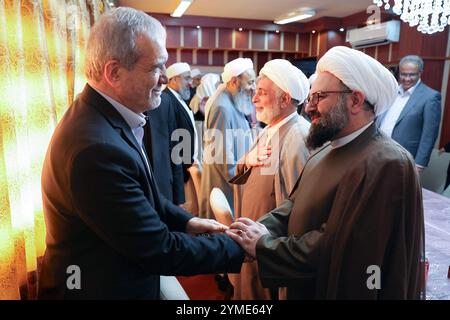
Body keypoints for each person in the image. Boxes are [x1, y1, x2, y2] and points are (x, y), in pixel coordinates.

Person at [39, 7, 244, 299]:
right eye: (155, 68)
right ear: (114, 73)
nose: (165, 79)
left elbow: (138, 193)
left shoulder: (103, 116)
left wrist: (185, 221)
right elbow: (159, 249)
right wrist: (239, 246)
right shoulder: (97, 150)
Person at [227, 46, 425, 300]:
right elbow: (292, 206)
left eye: (319, 97)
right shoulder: (326, 149)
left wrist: (264, 246)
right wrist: (254, 229)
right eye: (310, 98)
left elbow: (339, 247)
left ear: (355, 100)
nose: (309, 108)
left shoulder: (386, 163)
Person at [228, 59, 310, 300]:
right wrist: (248, 159)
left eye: (261, 93)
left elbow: (297, 211)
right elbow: (241, 171)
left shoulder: (297, 137)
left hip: (268, 249)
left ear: (285, 99)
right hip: (254, 241)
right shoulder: (269, 128)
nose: (254, 99)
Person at [200, 58, 256, 219]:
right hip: (225, 183)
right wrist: (242, 186)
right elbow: (222, 156)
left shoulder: (230, 98)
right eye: (250, 82)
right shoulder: (221, 106)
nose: (253, 88)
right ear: (234, 81)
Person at [377, 55, 442, 172]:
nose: (407, 79)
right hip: (378, 151)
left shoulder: (430, 97)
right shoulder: (391, 91)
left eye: (411, 75)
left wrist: (420, 163)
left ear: (420, 73)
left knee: (396, 189)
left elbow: (429, 134)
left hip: (404, 157)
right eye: (403, 74)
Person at [143, 92, 185, 206]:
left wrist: (179, 197)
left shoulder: (164, 100)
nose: (163, 79)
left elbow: (174, 150)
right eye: (154, 72)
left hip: (165, 190)